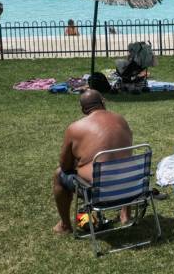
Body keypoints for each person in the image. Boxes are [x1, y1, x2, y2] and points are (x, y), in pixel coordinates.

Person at [52, 90, 133, 234]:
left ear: (83, 110)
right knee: (120, 163)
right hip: (128, 186)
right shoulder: (121, 120)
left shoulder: (75, 128)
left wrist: (80, 163)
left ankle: (65, 225)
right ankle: (125, 214)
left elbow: (65, 166)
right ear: (103, 102)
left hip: (99, 192)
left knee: (59, 175)